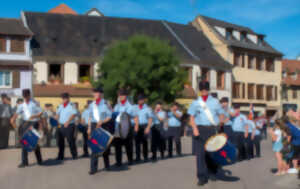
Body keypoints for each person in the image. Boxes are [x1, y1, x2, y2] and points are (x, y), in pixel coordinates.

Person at [188, 81, 225, 186]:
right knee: (200, 155)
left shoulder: (215, 102)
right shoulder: (195, 102)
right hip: (199, 130)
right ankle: (201, 177)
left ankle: (212, 171)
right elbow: (191, 117)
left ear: (208, 90)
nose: (204, 91)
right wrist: (194, 129)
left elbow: (221, 114)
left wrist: (220, 123)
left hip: (212, 129)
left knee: (211, 153)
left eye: (206, 89)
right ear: (200, 90)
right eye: (202, 89)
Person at [10, 89, 43, 167]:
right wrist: (13, 119)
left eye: (27, 96)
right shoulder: (22, 105)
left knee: (33, 142)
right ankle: (24, 162)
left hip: (34, 123)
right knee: (24, 142)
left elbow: (41, 113)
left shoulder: (35, 103)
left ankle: (39, 160)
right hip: (25, 123)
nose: (26, 97)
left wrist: (35, 117)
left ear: (29, 95)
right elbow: (16, 114)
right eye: (24, 96)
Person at [87, 87, 113, 175]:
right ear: (93, 94)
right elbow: (90, 117)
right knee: (94, 147)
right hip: (94, 125)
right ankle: (93, 168)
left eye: (98, 93)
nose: (97, 94)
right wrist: (89, 128)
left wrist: (102, 121)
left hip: (104, 125)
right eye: (95, 93)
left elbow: (109, 117)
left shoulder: (106, 104)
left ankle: (107, 165)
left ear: (101, 94)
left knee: (104, 147)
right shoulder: (91, 105)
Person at [113, 88, 137, 166]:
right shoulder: (116, 106)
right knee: (117, 145)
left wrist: (136, 126)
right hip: (117, 128)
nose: (121, 96)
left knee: (128, 145)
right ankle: (118, 162)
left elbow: (135, 117)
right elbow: (113, 115)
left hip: (127, 127)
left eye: (122, 95)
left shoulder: (130, 106)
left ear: (126, 96)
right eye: (119, 95)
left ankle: (130, 160)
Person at [55, 93, 78, 160]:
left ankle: (74, 154)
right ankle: (60, 156)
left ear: (68, 98)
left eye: (65, 98)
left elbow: (74, 114)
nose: (64, 99)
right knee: (60, 141)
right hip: (61, 125)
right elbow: (57, 114)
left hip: (69, 125)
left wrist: (68, 121)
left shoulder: (72, 105)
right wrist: (55, 119)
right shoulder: (60, 105)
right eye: (63, 98)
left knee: (70, 140)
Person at [134, 94, 153, 162]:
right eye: (139, 99)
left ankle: (145, 157)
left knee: (144, 142)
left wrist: (148, 127)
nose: (140, 101)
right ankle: (138, 157)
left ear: (144, 100)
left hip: (144, 125)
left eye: (141, 99)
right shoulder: (134, 107)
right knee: (137, 142)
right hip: (137, 126)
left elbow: (150, 118)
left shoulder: (147, 108)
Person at [284, 110, 300, 174]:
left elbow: (289, 136)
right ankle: (295, 168)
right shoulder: (294, 125)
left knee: (293, 156)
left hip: (295, 143)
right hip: (296, 142)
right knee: (296, 156)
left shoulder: (289, 126)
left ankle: (293, 168)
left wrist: (286, 144)